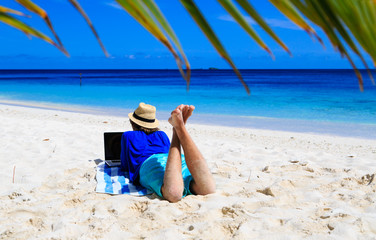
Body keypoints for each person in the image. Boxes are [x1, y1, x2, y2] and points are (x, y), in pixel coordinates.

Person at [120, 102, 215, 202]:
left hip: (149, 163)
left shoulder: (128, 135)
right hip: (174, 160)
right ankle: (179, 129)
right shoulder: (161, 134)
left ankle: (177, 129)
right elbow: (172, 154)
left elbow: (125, 165)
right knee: (206, 189)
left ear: (133, 122)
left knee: (173, 193)